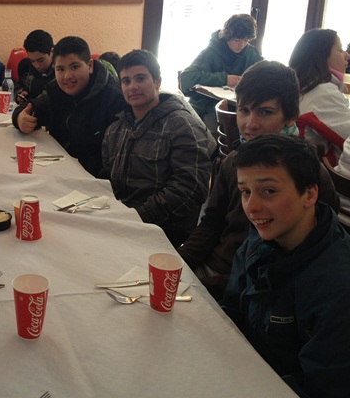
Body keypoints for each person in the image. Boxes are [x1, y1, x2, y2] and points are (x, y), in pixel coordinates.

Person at [178, 60, 339, 300]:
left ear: (291, 117)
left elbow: (303, 264)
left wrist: (210, 287)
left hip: (254, 289)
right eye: (244, 110)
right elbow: (212, 222)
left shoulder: (309, 174)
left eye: (265, 112)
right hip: (213, 268)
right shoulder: (233, 162)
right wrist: (179, 263)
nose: (250, 125)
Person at [221, 134, 350, 398]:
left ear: (309, 194)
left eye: (269, 191)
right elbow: (232, 312)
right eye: (245, 192)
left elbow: (324, 386)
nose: (251, 207)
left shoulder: (338, 287)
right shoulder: (260, 239)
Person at [101, 50, 216, 247]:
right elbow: (107, 175)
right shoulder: (115, 129)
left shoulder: (183, 126)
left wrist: (136, 217)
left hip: (163, 230)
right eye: (126, 81)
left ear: (157, 81)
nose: (133, 87)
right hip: (121, 219)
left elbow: (190, 188)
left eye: (140, 78)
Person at [12, 36, 126, 177]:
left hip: (91, 179)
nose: (67, 76)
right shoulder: (56, 91)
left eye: (74, 67)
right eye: (60, 69)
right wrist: (20, 118)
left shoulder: (114, 99)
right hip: (59, 171)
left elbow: (113, 162)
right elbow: (29, 107)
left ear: (90, 66)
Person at [179, 14, 262, 129]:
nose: (241, 45)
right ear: (227, 36)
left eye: (246, 40)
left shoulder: (251, 53)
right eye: (237, 40)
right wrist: (224, 79)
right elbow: (186, 77)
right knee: (224, 127)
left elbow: (264, 75)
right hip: (208, 107)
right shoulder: (211, 52)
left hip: (241, 106)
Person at [289, 28, 350, 157]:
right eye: (340, 50)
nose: (347, 56)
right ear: (321, 56)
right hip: (314, 167)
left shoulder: (303, 86)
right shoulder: (322, 92)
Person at [15, 29, 55, 103]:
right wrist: (21, 94)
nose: (37, 66)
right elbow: (20, 88)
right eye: (32, 61)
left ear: (52, 52)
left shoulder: (63, 71)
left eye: (40, 60)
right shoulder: (25, 66)